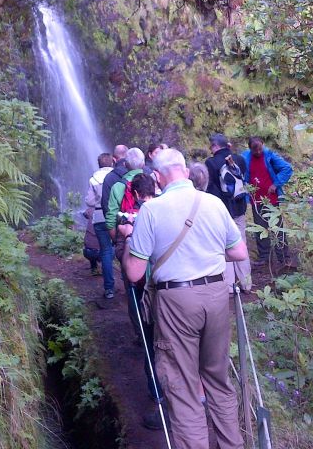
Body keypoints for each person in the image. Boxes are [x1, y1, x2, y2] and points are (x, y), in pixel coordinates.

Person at [122, 148, 247, 449]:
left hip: (176, 300)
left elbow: (135, 272)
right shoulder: (214, 203)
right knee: (218, 379)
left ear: (157, 177)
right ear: (186, 172)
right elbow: (239, 252)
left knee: (183, 384)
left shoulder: (151, 211)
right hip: (216, 296)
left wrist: (129, 238)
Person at [115, 173, 164, 429]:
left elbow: (130, 270)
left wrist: (126, 236)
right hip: (170, 289)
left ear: (133, 194)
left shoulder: (135, 216)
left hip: (146, 289)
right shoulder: (165, 209)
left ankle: (159, 398)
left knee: (150, 345)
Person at [204, 133, 251, 292]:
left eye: (211, 146)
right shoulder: (240, 159)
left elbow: (211, 189)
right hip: (239, 208)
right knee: (241, 243)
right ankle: (246, 283)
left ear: (216, 146)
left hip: (222, 212)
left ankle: (230, 286)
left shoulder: (211, 163)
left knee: (225, 247)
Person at [241, 137, 294, 268]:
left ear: (263, 145)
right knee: (260, 228)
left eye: (260, 148)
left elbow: (287, 168)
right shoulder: (245, 157)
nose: (258, 152)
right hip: (256, 199)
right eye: (255, 150)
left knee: (277, 227)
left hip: (272, 199)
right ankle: (264, 257)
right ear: (250, 149)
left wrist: (276, 184)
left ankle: (284, 258)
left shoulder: (270, 155)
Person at [105, 147, 145, 300]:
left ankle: (137, 317)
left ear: (126, 164)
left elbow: (111, 218)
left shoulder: (118, 186)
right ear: (142, 164)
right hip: (150, 234)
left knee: (130, 280)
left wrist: (116, 238)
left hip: (125, 233)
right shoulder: (152, 181)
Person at [85, 153, 115, 293]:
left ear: (99, 164)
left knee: (106, 251)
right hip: (116, 216)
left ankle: (109, 289)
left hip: (99, 216)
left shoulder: (94, 179)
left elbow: (89, 201)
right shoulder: (116, 177)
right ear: (112, 163)